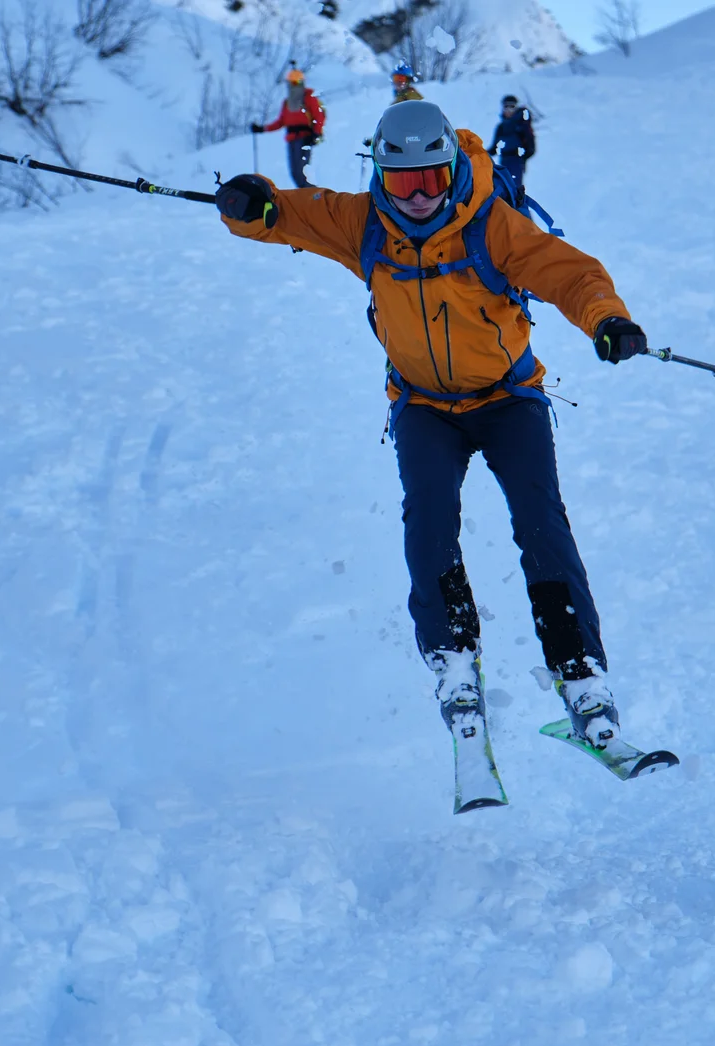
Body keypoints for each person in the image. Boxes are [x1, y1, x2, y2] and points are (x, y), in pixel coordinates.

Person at [212, 100, 651, 754]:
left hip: (507, 399)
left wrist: (606, 320)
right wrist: (248, 205)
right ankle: (453, 665)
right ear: (381, 178)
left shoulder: (491, 225)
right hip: (422, 406)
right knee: (430, 518)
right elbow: (286, 215)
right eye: (401, 182)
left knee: (540, 520)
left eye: (431, 180)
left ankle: (580, 674)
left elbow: (570, 275)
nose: (417, 197)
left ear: (450, 169)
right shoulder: (362, 223)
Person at [252, 68, 325, 188]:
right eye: (291, 82)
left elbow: (318, 116)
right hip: (292, 140)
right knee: (295, 173)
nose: (293, 85)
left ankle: (312, 197)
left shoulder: (309, 98)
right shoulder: (287, 102)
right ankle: (305, 197)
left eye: (296, 82)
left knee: (302, 172)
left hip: (304, 139)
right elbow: (281, 122)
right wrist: (262, 129)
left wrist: (315, 134)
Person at [491, 94, 536, 206]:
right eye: (506, 107)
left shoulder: (521, 125)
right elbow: (494, 148)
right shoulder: (501, 127)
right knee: (503, 190)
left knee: (515, 192)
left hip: (516, 162)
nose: (509, 110)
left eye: (512, 107)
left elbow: (531, 147)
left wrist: (521, 158)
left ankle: (520, 217)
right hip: (504, 162)